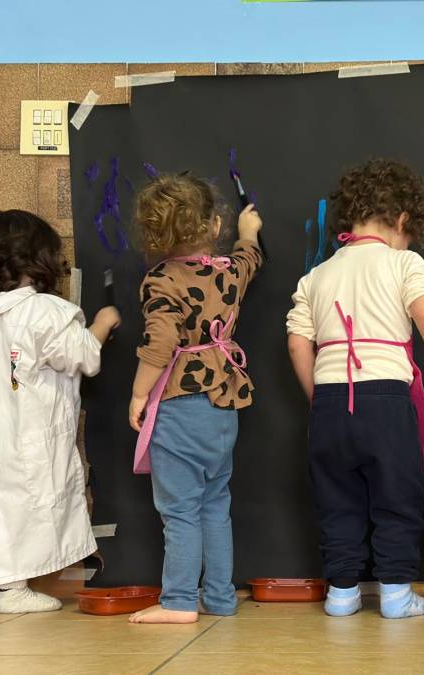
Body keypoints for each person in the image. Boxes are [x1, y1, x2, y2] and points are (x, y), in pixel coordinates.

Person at [287, 158, 424, 619]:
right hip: (385, 400)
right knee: (397, 497)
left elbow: (298, 343)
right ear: (403, 219)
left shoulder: (316, 276)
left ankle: (342, 594)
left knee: (336, 499)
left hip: (330, 401)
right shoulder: (404, 262)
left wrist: (318, 396)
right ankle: (396, 595)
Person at [0, 209, 120, 613]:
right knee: (23, 507)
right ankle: (13, 591)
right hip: (28, 435)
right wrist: (103, 323)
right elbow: (83, 356)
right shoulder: (45, 311)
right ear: (39, 258)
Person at [128, 173, 263, 624]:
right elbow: (248, 258)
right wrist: (248, 234)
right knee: (215, 504)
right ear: (214, 224)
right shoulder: (228, 271)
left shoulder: (161, 279)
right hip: (223, 405)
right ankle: (219, 598)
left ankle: (179, 601)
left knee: (180, 510)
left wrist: (139, 393)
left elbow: (161, 342)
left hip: (180, 404)